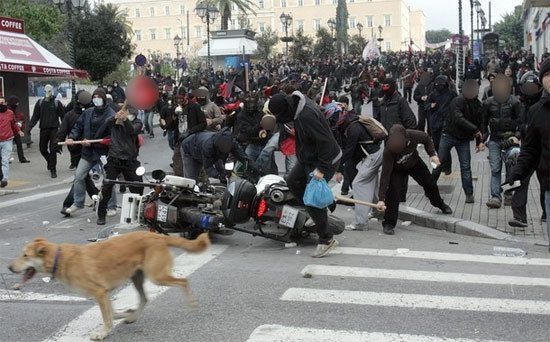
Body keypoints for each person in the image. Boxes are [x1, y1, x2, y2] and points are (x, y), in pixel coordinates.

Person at [268, 91, 342, 258]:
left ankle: (326, 239)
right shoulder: (296, 106)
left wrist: (321, 170)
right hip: (308, 157)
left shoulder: (306, 116)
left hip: (326, 159)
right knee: (292, 181)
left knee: (312, 198)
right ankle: (314, 212)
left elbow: (326, 143)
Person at [376, 125, 452, 235]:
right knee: (393, 195)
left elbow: (426, 138)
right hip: (396, 170)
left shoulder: (413, 135)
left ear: (406, 139)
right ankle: (388, 223)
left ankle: (439, 203)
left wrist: (432, 154)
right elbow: (385, 176)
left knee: (430, 183)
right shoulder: (388, 150)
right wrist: (381, 199)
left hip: (414, 163)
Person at [507, 58, 550, 249]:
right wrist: (515, 173)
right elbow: (531, 149)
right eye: (547, 75)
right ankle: (520, 215)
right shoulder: (537, 110)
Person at [64, 88, 117, 216]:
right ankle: (78, 202)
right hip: (87, 152)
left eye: (98, 97)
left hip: (104, 153)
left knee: (108, 179)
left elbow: (112, 136)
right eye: (94, 97)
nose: (96, 99)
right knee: (79, 176)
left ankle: (111, 206)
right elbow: (78, 126)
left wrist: (94, 142)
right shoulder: (88, 112)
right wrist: (72, 137)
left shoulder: (111, 114)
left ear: (104, 99)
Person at [433, 79, 484, 203]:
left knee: (465, 166)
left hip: (463, 139)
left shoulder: (478, 104)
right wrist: (475, 130)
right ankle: (429, 186)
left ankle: (469, 194)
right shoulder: (458, 101)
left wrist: (479, 142)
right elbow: (458, 118)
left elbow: (480, 123)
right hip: (448, 135)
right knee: (439, 163)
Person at [96, 106, 144, 225]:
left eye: (130, 113)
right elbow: (107, 123)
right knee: (107, 187)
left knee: (137, 186)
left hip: (129, 160)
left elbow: (132, 131)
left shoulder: (138, 123)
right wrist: (115, 117)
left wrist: (125, 120)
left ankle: (137, 212)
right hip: (114, 159)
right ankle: (101, 214)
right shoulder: (115, 123)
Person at [481, 74, 522, 209]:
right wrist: (481, 140)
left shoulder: (515, 102)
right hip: (494, 140)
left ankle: (509, 194)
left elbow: (522, 124)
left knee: (511, 168)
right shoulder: (488, 103)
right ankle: (495, 197)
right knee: (495, 168)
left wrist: (517, 136)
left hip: (510, 140)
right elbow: (483, 123)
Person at [336, 113, 384, 231]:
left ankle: (360, 223)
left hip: (373, 156)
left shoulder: (353, 129)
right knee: (371, 183)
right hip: (377, 153)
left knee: (359, 184)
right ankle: (378, 212)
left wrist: (336, 165)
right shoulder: (356, 122)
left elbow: (349, 151)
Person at [181, 127, 252, 184]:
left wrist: (251, 166)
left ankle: (208, 186)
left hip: (212, 153)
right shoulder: (208, 146)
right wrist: (218, 176)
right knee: (191, 181)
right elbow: (208, 167)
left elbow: (242, 156)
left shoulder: (231, 142)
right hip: (190, 150)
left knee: (222, 172)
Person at [28, 84, 65, 178]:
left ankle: (53, 169)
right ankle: (49, 161)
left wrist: (63, 130)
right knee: (42, 148)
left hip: (54, 129)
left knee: (53, 149)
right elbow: (35, 116)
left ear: (52, 91)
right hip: (43, 129)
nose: (48, 92)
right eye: (46, 90)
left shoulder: (57, 103)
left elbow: (63, 117)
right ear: (44, 91)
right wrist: (30, 127)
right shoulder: (40, 102)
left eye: (49, 90)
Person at [426, 75, 457, 156]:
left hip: (446, 123)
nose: (439, 87)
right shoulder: (433, 94)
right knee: (436, 144)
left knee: (444, 147)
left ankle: (444, 165)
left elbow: (457, 105)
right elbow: (426, 105)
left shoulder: (451, 94)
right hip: (435, 123)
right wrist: (430, 106)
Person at [0, 97, 24, 188]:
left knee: (5, 161)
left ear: (6, 103)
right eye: (0, 103)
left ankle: (4, 179)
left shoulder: (10, 113)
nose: (1, 104)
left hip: (7, 140)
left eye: (3, 102)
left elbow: (13, 124)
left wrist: (19, 131)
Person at [6, 96, 30, 163]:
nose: (17, 104)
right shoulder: (9, 110)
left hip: (14, 130)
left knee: (14, 145)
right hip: (11, 131)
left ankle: (20, 158)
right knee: (12, 146)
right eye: (17, 103)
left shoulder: (11, 109)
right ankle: (20, 158)